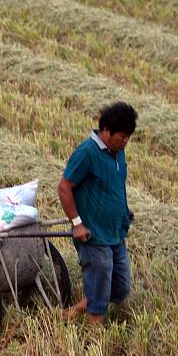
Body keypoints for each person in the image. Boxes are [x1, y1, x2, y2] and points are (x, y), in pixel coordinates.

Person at [58, 102, 137, 325]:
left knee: (121, 287)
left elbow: (114, 186)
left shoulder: (117, 153)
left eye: (128, 137)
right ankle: (95, 336)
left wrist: (123, 212)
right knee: (100, 293)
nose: (126, 141)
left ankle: (77, 309)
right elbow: (64, 187)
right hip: (93, 235)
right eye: (122, 137)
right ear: (106, 131)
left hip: (115, 232)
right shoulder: (87, 153)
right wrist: (77, 223)